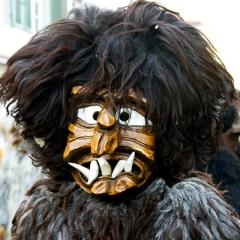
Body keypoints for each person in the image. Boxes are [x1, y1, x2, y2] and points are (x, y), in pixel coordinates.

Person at [0, 0, 240, 239]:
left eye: (127, 117)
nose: (103, 145)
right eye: (90, 116)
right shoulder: (44, 219)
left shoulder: (191, 221)